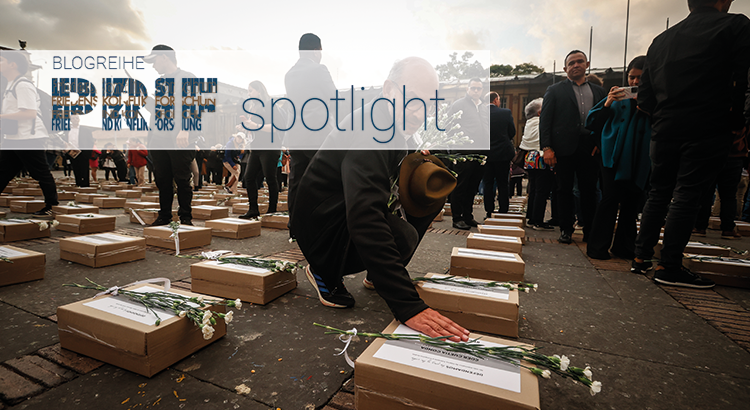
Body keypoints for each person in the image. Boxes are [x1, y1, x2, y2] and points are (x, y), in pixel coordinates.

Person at [291, 57, 469, 342]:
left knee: (428, 188)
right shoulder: (372, 128)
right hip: (321, 228)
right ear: (389, 90)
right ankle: (324, 269)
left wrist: (415, 168)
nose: (420, 110)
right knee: (402, 236)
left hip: (343, 210)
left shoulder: (396, 126)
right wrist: (408, 305)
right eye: (413, 98)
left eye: (429, 102)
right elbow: (366, 216)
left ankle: (378, 271)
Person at [632, 0, 750, 288]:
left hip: (665, 128)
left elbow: (644, 99)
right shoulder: (735, 25)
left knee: (659, 192)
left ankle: (640, 257)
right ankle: (669, 265)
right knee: (688, 193)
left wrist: (664, 115)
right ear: (723, 1)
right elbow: (741, 78)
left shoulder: (660, 40)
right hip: (708, 124)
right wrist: (736, 121)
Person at [585, 56, 650, 260]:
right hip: (612, 157)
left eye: (639, 78)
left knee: (632, 202)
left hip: (639, 157)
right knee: (610, 199)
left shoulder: (655, 99)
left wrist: (647, 107)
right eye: (631, 77)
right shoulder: (617, 96)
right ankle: (597, 248)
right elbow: (593, 124)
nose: (634, 83)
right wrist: (608, 102)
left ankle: (624, 247)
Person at [540, 50, 607, 244]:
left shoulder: (599, 91)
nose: (575, 65)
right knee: (564, 189)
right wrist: (547, 148)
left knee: (589, 190)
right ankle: (565, 229)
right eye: (571, 63)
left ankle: (589, 229)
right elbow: (546, 121)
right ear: (565, 68)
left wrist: (599, 144)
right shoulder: (555, 90)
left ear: (587, 64)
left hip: (589, 146)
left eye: (579, 62)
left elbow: (604, 120)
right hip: (563, 148)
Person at [284, 33, 337, 224]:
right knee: (323, 179)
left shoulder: (289, 74)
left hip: (296, 136)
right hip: (318, 135)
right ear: (316, 51)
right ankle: (320, 225)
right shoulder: (319, 70)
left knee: (296, 181)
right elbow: (334, 98)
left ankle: (295, 226)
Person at [143, 44, 197, 226]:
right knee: (162, 180)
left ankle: (185, 218)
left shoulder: (187, 78)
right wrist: (145, 101)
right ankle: (164, 215)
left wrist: (185, 129)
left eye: (154, 60)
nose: (152, 65)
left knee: (182, 179)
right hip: (158, 139)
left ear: (165, 57)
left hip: (179, 139)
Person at [0, 50, 58, 216]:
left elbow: (30, 113)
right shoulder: (10, 85)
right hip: (13, 137)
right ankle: (51, 204)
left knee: (40, 172)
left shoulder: (23, 85)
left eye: (1, 60)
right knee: (3, 172)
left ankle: (51, 206)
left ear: (13, 65)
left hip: (29, 138)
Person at [448, 78, 489, 230]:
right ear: (468, 89)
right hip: (464, 151)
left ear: (482, 90)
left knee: (473, 186)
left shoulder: (484, 108)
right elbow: (449, 126)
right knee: (461, 185)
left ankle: (467, 216)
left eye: (479, 88)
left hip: (481, 152)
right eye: (473, 88)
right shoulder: (459, 105)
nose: (476, 91)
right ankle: (457, 218)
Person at [238, 81, 282, 219]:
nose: (249, 94)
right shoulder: (254, 107)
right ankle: (253, 210)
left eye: (250, 91)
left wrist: (255, 125)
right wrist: (246, 127)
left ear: (259, 91)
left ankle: (272, 210)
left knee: (270, 179)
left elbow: (276, 127)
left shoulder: (270, 105)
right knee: (248, 177)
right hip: (256, 148)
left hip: (270, 147)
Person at [482, 91, 516, 219]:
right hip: (503, 153)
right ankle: (503, 211)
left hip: (486, 155)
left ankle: (489, 212)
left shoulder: (480, 115)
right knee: (503, 183)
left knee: (488, 183)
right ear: (495, 100)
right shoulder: (505, 113)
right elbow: (512, 132)